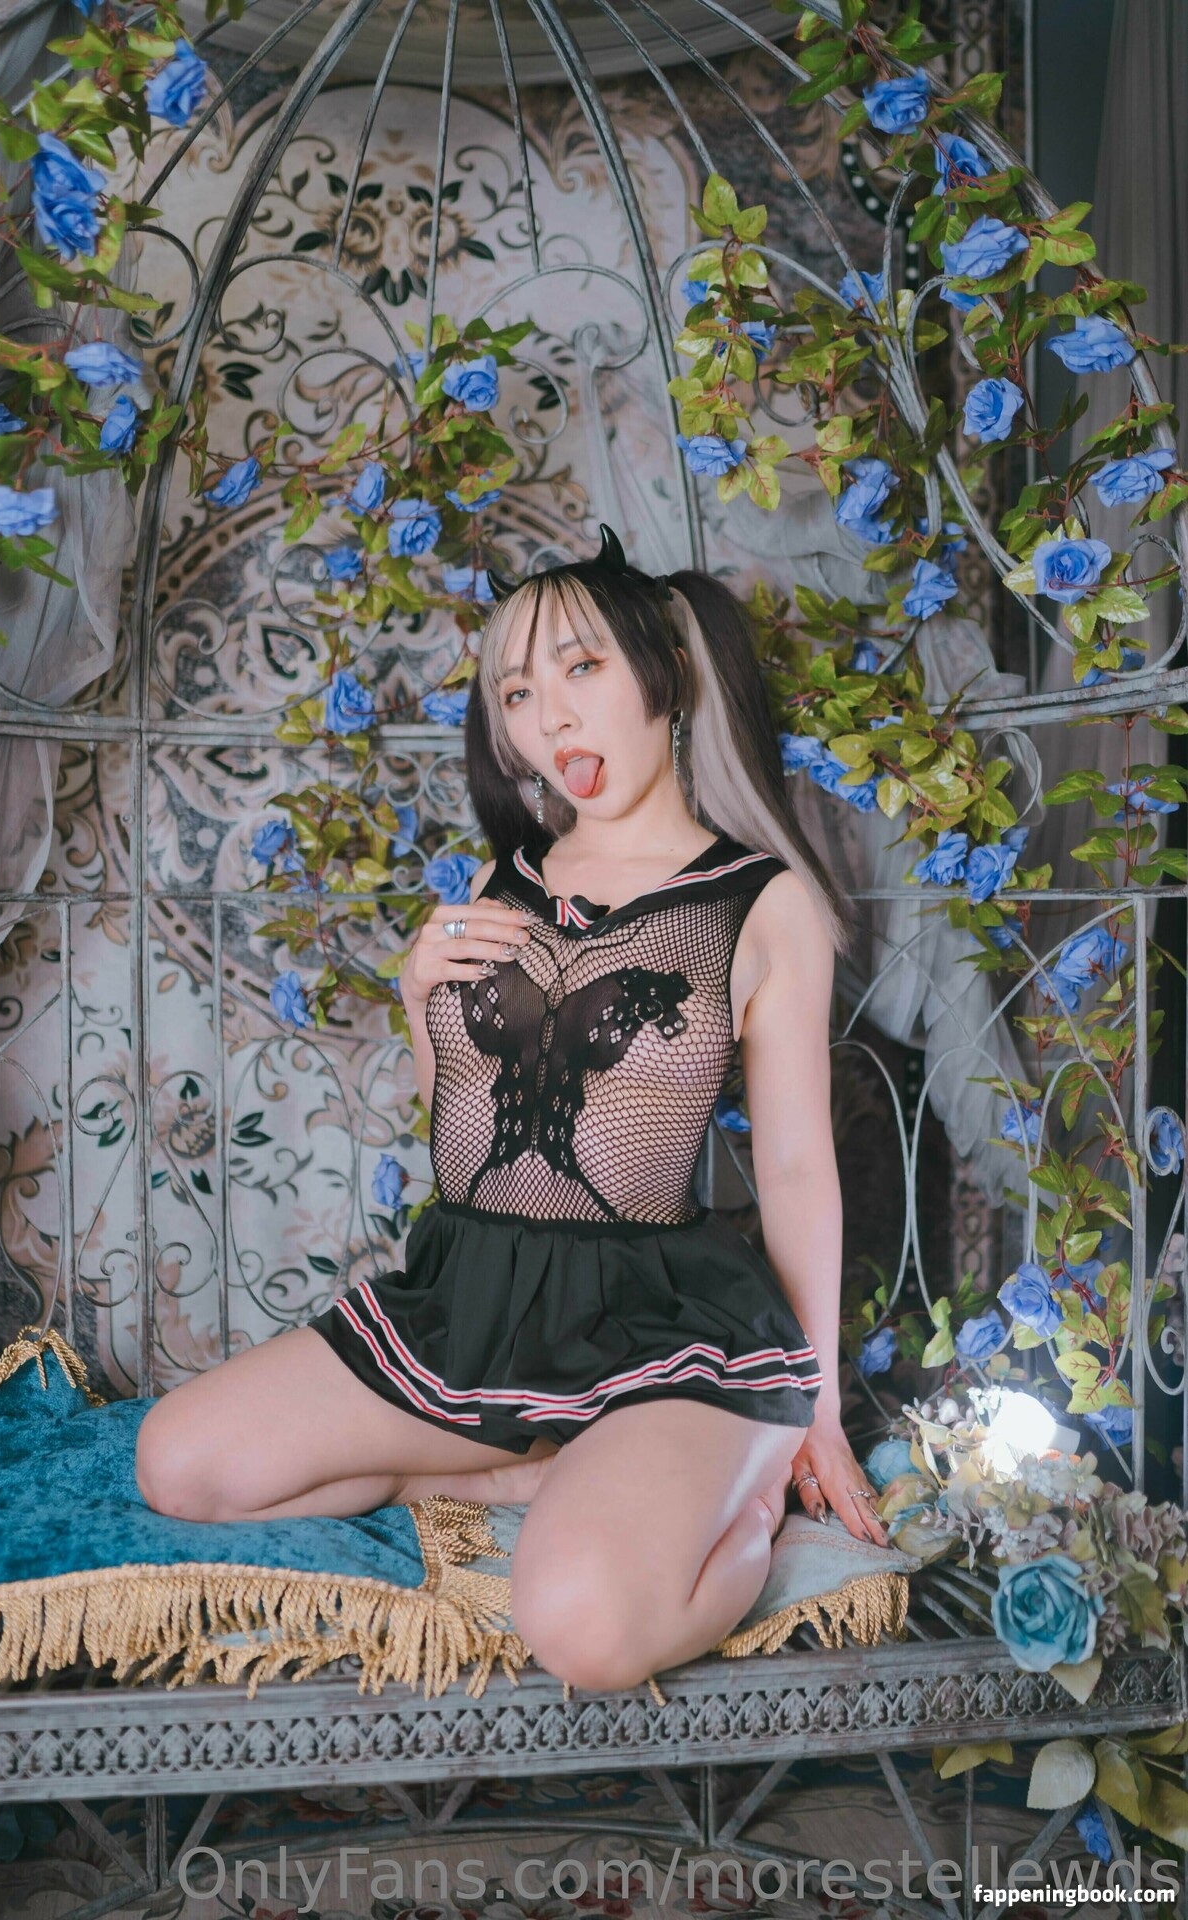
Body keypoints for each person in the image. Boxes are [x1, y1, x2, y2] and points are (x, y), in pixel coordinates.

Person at [135, 526, 890, 1693]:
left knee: (585, 1632)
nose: (550, 721)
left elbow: (795, 1168)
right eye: (519, 693)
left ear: (667, 675)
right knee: (179, 1463)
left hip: (664, 1326)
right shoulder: (505, 880)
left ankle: (745, 1501)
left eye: (581, 669)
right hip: (478, 1300)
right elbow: (464, 1137)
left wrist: (820, 1412)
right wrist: (415, 995)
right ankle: (515, 1474)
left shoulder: (760, 902)